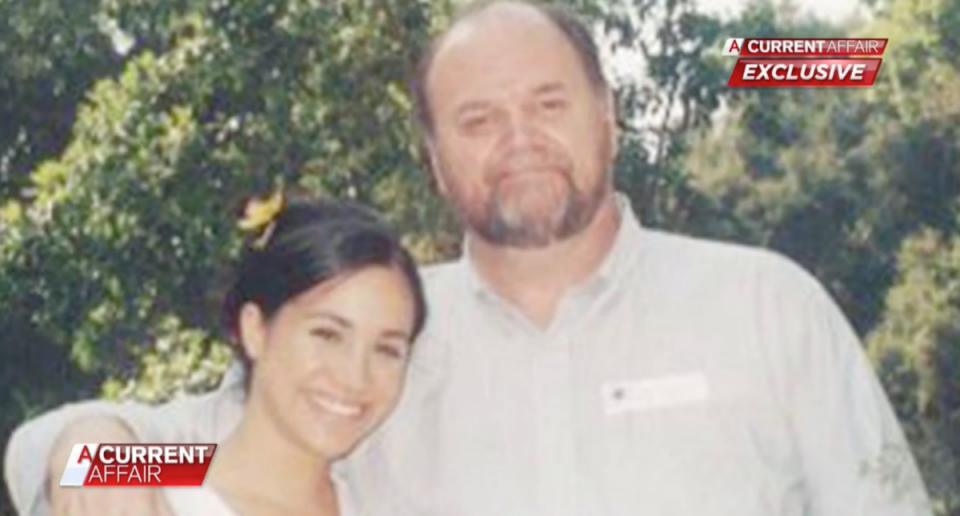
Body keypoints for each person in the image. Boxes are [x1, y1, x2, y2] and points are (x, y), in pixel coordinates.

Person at [4, 1, 933, 515]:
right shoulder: (379, 346)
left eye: (549, 103)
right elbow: (198, 454)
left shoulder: (765, 307)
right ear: (434, 158)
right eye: (478, 120)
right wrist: (85, 451)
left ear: (608, 115)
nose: (519, 138)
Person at [13, 192, 428, 516]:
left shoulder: (379, 504)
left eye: (387, 350)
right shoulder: (153, 489)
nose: (355, 376)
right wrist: (90, 441)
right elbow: (54, 453)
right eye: (327, 334)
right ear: (255, 329)